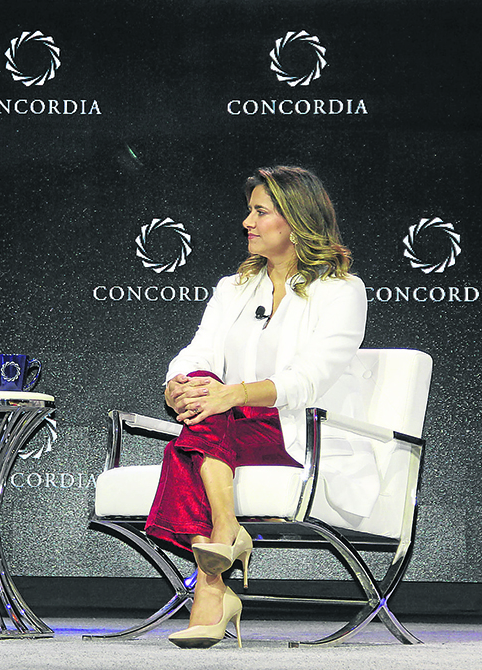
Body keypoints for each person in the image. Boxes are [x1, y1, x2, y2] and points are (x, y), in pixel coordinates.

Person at [145, 166, 370, 648]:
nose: (247, 222)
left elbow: (309, 378)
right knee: (204, 402)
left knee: (189, 443)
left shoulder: (341, 291)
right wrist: (177, 385)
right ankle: (221, 550)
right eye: (250, 211)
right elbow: (200, 351)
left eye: (260, 212)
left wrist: (233, 394)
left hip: (297, 433)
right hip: (231, 429)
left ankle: (215, 577)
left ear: (296, 220)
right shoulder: (234, 287)